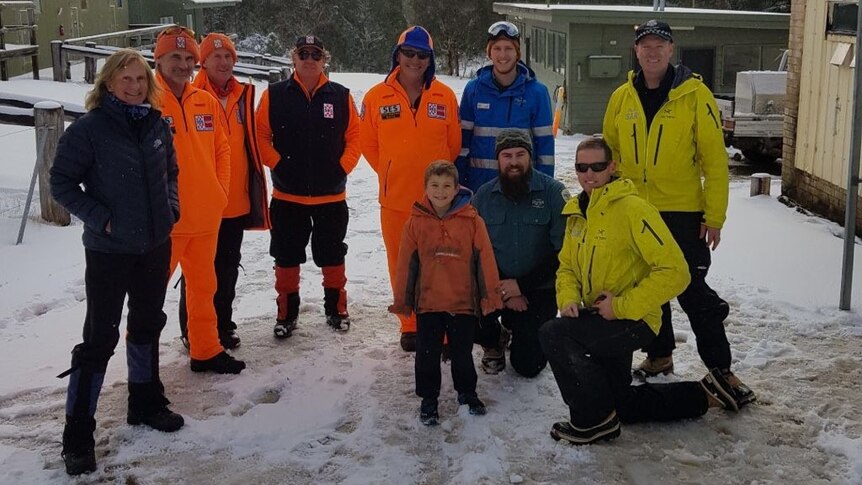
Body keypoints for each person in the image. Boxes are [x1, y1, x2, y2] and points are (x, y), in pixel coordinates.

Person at [538, 137, 751, 446]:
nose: (589, 174)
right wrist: (568, 298)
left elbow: (676, 272)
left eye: (597, 166)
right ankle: (705, 394)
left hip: (634, 320)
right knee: (621, 403)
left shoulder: (633, 209)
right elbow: (567, 267)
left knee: (553, 333)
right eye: (582, 167)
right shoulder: (576, 212)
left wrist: (621, 306)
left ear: (611, 167)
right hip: (600, 317)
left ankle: (593, 422)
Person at [602, 20, 755, 405]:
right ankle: (659, 355)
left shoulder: (694, 94)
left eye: (660, 45)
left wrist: (714, 216)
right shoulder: (622, 97)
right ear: (636, 51)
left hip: (682, 213)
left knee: (690, 289)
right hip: (636, 211)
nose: (652, 52)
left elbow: (714, 162)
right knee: (647, 286)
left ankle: (722, 368)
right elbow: (609, 154)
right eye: (645, 45)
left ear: (672, 50)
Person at [50, 49, 185, 476]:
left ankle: (144, 402)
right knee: (99, 338)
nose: (134, 87)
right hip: (109, 251)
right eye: (125, 80)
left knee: (147, 323)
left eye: (141, 80)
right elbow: (62, 183)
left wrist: (171, 209)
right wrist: (103, 219)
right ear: (108, 83)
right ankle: (77, 434)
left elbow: (172, 174)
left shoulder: (157, 125)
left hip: (154, 245)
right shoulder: (89, 130)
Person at [360, 26, 461, 352]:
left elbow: (453, 145)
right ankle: (411, 325)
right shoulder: (376, 97)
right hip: (396, 200)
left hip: (438, 203)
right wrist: (393, 173)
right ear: (398, 55)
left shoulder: (444, 96)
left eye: (422, 55)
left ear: (429, 59)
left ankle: (442, 329)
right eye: (409, 53)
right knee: (402, 265)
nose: (415, 61)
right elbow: (369, 145)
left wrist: (437, 184)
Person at [255, 34, 360, 336]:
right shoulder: (275, 94)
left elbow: (356, 136)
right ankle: (286, 315)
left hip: (331, 196)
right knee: (286, 256)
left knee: (333, 254)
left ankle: (336, 309)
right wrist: (278, 163)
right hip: (288, 197)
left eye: (316, 54)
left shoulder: (340, 95)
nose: (310, 59)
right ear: (294, 58)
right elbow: (260, 135)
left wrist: (342, 167)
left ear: (324, 59)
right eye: (304, 54)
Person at [154, 26, 245, 374]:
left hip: (206, 218)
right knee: (150, 299)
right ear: (158, 59)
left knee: (204, 289)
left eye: (188, 58)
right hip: (165, 223)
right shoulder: (147, 100)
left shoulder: (204, 101)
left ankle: (206, 350)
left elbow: (222, 149)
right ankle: (143, 371)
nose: (183, 64)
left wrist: (219, 193)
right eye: (175, 57)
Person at [389, 161, 503, 425]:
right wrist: (403, 301)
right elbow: (406, 264)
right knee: (427, 354)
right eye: (434, 186)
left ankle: (467, 393)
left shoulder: (472, 221)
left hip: (462, 302)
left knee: (462, 353)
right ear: (425, 188)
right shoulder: (415, 223)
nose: (440, 191)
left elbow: (485, 259)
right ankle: (428, 398)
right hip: (428, 303)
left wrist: (489, 296)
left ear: (456, 189)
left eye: (446, 186)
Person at [177, 33, 270, 350]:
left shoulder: (243, 94)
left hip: (234, 200)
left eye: (228, 56)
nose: (223, 62)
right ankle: (193, 331)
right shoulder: (192, 94)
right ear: (203, 61)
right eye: (216, 56)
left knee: (227, 267)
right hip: (199, 202)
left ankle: (222, 325)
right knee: (196, 273)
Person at [471, 129, 566, 377]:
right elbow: (475, 250)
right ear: (498, 159)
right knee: (459, 312)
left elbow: (564, 253)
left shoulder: (553, 194)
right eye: (507, 155)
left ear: (530, 157)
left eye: (520, 154)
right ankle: (494, 339)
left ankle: (522, 332)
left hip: (538, 288)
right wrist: (505, 288)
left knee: (528, 366)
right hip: (494, 284)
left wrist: (521, 286)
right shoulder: (483, 196)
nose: (513, 162)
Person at [457, 21, 554, 192]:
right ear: (489, 53)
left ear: (517, 53)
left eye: (509, 48)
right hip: (479, 189)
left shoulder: (537, 93)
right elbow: (463, 145)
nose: (503, 55)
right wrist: (461, 186)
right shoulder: (473, 90)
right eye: (497, 48)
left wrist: (543, 190)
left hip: (521, 188)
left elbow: (545, 151)